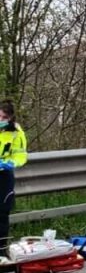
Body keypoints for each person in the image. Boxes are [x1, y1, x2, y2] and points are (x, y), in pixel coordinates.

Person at [0, 100, 27, 258]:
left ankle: (1, 249)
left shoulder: (16, 131)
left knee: (2, 213)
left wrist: (11, 163)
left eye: (4, 117)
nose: (0, 120)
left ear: (10, 118)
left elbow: (21, 154)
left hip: (3, 174)